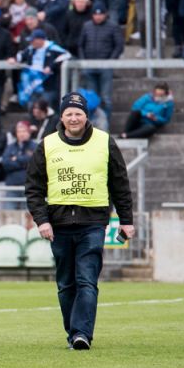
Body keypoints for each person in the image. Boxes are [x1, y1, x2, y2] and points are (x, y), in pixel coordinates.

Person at [24, 92, 134, 350]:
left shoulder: (105, 142)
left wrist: (126, 220)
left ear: (86, 116)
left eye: (78, 113)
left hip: (93, 223)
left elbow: (120, 184)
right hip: (58, 224)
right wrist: (41, 220)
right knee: (65, 284)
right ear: (61, 117)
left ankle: (82, 334)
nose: (74, 118)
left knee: (86, 279)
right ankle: (73, 332)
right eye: (69, 113)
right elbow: (34, 187)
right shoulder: (47, 145)